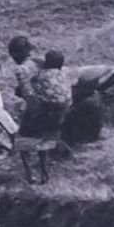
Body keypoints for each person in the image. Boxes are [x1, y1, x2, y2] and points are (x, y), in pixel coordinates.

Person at [16, 50, 73, 183]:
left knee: (23, 140)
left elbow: (27, 92)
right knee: (45, 142)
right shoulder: (65, 75)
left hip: (42, 113)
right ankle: (44, 173)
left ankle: (30, 174)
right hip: (60, 115)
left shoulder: (40, 75)